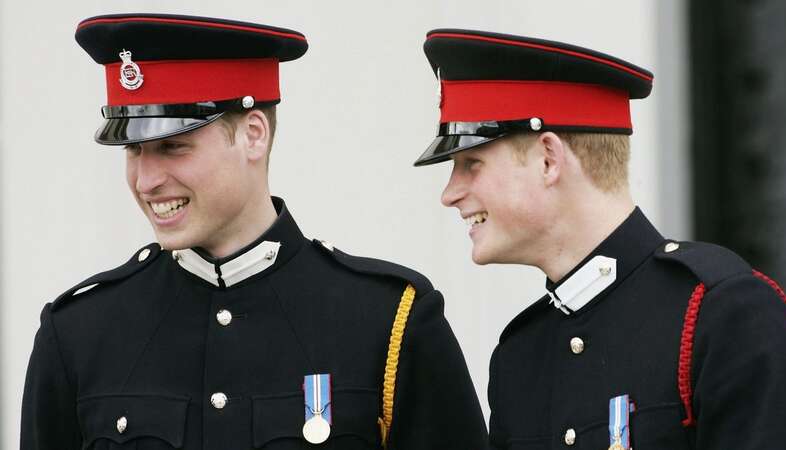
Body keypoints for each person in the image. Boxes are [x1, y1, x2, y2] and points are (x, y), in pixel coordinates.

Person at [21, 15, 487, 450]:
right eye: (134, 151)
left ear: (253, 135)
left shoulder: (389, 321)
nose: (145, 181)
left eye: (172, 146)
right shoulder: (78, 333)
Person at [413, 28, 786, 449]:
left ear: (548, 159)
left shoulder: (722, 316)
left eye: (471, 163)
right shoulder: (519, 360)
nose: (450, 194)